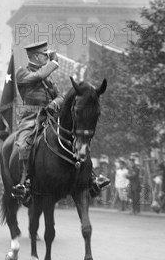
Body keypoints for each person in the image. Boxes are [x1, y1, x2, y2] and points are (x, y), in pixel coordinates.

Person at [10, 41, 109, 199]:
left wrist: (53, 104)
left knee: (75, 136)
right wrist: (54, 62)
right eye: (45, 55)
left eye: (48, 55)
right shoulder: (23, 73)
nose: (47, 57)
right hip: (32, 116)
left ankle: (91, 178)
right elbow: (38, 76)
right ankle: (25, 182)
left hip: (51, 114)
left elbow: (60, 96)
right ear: (35, 56)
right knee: (24, 143)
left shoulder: (48, 80)